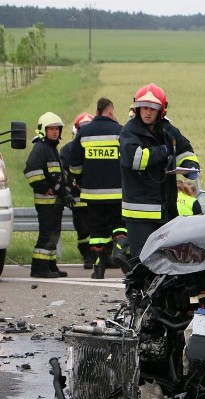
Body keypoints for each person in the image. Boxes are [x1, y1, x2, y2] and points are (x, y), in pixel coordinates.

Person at [119, 83, 200, 257]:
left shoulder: (168, 130)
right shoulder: (129, 131)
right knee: (141, 260)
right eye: (144, 108)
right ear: (137, 109)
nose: (148, 113)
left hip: (166, 209)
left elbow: (184, 150)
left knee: (166, 259)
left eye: (152, 109)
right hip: (140, 212)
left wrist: (190, 166)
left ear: (161, 110)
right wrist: (162, 151)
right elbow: (135, 159)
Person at [68, 97, 129, 279]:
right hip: (117, 192)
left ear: (97, 111)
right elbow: (128, 160)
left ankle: (98, 268)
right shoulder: (120, 131)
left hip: (92, 194)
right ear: (110, 112)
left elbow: (74, 164)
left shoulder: (84, 133)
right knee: (119, 225)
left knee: (96, 232)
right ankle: (119, 252)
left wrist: (80, 180)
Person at [24, 112, 69, 278]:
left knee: (53, 233)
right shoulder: (41, 148)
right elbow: (31, 171)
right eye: (51, 129)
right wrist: (44, 188)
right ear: (43, 130)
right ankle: (39, 268)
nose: (55, 132)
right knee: (47, 233)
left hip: (54, 201)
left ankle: (51, 266)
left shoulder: (51, 148)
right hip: (45, 201)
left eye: (57, 129)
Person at [59, 112, 94, 270]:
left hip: (97, 198)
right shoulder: (67, 150)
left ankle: (103, 257)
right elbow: (63, 172)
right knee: (84, 230)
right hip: (78, 198)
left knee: (100, 229)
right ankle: (87, 257)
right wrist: (74, 183)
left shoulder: (96, 148)